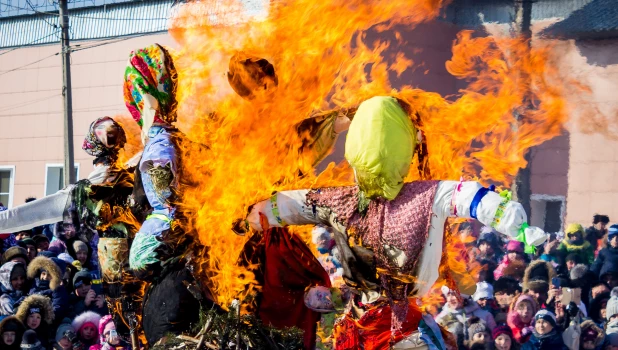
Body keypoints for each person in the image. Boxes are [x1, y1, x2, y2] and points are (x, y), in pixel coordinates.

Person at [26, 256, 70, 321]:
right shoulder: (34, 286)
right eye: (43, 273)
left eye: (49, 275)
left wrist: (41, 314)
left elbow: (58, 309)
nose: (45, 277)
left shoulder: (59, 290)